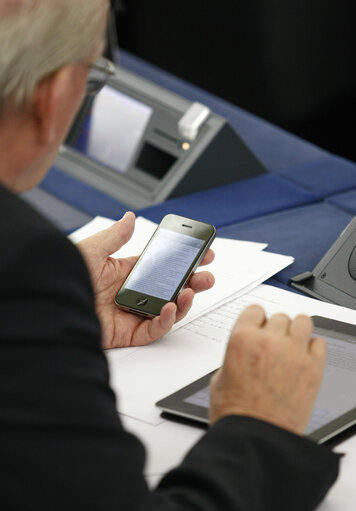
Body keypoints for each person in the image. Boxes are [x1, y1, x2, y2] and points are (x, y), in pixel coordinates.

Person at [0, 1, 340, 510]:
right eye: (92, 76)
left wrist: (49, 321)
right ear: (52, 98)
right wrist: (260, 426)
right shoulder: (24, 267)